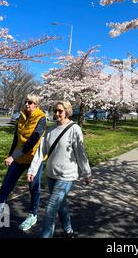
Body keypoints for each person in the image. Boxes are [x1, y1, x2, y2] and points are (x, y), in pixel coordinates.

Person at [0, 94, 47, 238]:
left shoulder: (42, 118)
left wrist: (13, 156)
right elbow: (16, 139)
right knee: (4, 189)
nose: (27, 104)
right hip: (18, 158)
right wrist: (11, 156)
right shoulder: (21, 116)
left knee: (33, 187)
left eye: (30, 102)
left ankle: (32, 214)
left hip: (34, 158)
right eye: (26, 101)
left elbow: (33, 140)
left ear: (36, 105)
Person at [27, 101, 92, 238]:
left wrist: (87, 173)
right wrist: (32, 170)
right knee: (60, 205)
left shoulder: (74, 129)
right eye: (55, 110)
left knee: (50, 208)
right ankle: (68, 231)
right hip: (51, 174)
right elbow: (40, 152)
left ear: (67, 112)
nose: (57, 114)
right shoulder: (50, 130)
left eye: (60, 111)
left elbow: (80, 153)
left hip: (66, 175)